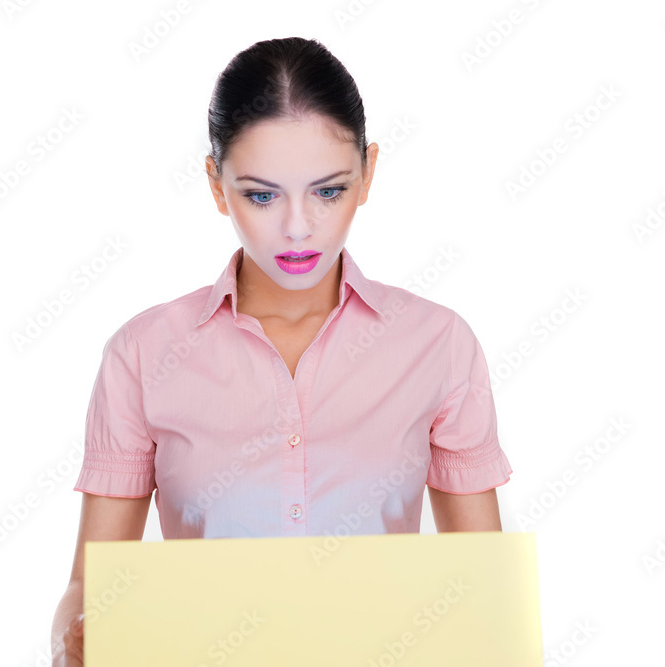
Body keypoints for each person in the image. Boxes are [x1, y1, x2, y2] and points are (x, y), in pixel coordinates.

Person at [50, 36, 513, 666]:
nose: (298, 227)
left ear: (368, 173)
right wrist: (75, 635)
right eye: (262, 195)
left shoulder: (437, 345)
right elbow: (92, 585)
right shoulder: (142, 355)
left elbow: (482, 588)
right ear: (217, 186)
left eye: (328, 190)